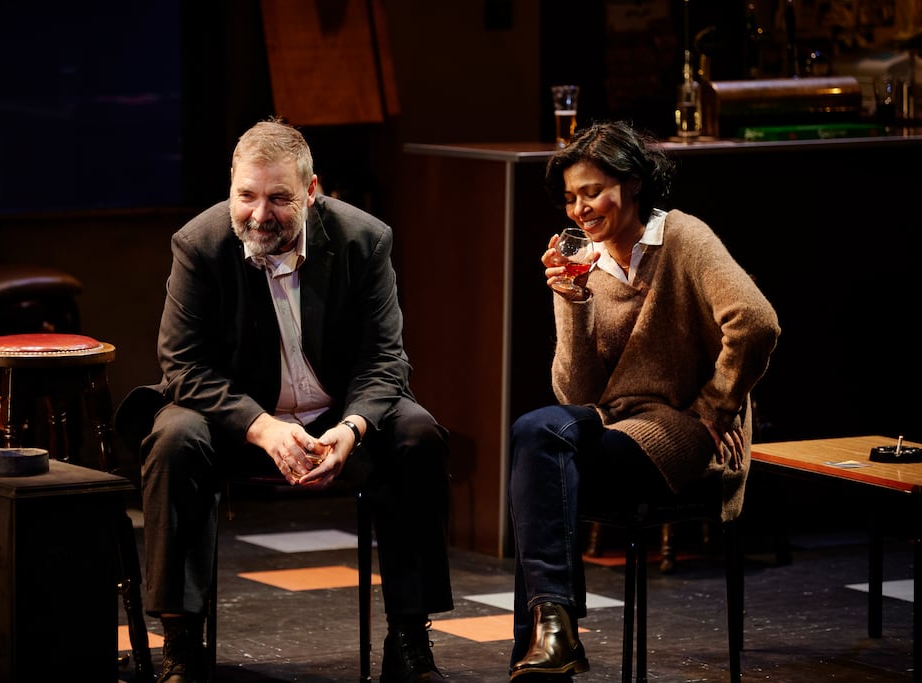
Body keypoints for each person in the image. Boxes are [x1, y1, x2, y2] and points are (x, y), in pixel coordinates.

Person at [115, 118, 453, 683]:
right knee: (174, 438)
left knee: (418, 436)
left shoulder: (363, 239)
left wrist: (352, 428)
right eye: (246, 195)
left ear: (311, 190)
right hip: (239, 423)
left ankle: (410, 641)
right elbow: (182, 366)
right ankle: (181, 643)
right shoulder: (199, 244)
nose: (258, 214)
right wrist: (263, 427)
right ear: (230, 186)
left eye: (278, 198)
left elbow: (385, 360)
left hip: (337, 418)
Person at [507, 120, 780, 680]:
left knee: (539, 476)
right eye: (570, 198)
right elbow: (578, 395)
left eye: (592, 192)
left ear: (631, 183)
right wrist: (572, 301)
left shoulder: (682, 238)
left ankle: (551, 642)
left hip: (685, 430)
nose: (580, 209)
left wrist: (718, 404)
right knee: (534, 434)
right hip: (616, 426)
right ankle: (554, 632)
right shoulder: (587, 260)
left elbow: (756, 323)